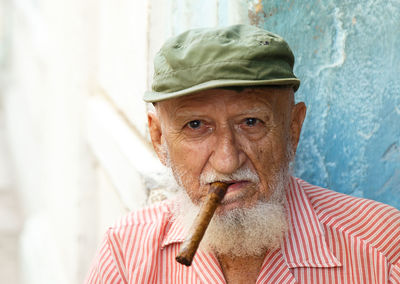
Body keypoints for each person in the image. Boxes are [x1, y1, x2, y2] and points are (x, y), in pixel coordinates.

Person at [86, 25, 400, 283]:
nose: (227, 160)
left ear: (292, 128)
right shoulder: (125, 255)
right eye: (196, 125)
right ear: (159, 139)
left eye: (251, 122)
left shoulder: (384, 252)